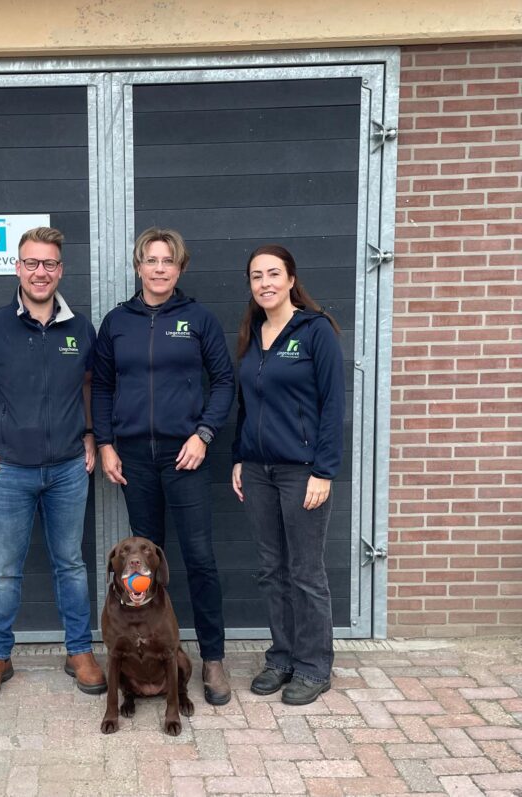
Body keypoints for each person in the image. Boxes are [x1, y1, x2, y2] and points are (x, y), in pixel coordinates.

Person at [0, 226, 106, 701]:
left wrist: (90, 433)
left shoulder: (80, 329)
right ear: (18, 268)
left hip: (68, 469)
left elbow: (89, 384)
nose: (40, 272)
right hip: (7, 472)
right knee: (4, 569)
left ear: (61, 270)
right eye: (31, 263)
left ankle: (79, 651)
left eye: (49, 263)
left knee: (71, 564)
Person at [92, 227, 235, 705]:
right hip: (134, 459)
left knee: (200, 559)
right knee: (140, 569)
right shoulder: (116, 322)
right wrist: (106, 443)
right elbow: (102, 387)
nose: (159, 268)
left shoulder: (199, 319)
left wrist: (203, 434)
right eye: (151, 260)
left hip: (185, 456)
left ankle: (212, 658)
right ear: (138, 266)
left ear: (180, 268)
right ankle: (143, 653)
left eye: (168, 261)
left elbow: (224, 382)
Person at [231, 244, 344, 706]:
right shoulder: (252, 333)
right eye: (257, 276)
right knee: (271, 568)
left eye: (274, 273)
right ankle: (281, 658)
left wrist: (324, 471)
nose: (266, 283)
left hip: (302, 472)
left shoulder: (316, 331)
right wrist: (239, 457)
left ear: (291, 279)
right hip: (258, 471)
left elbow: (333, 405)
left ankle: (314, 666)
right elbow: (246, 405)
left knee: (305, 571)